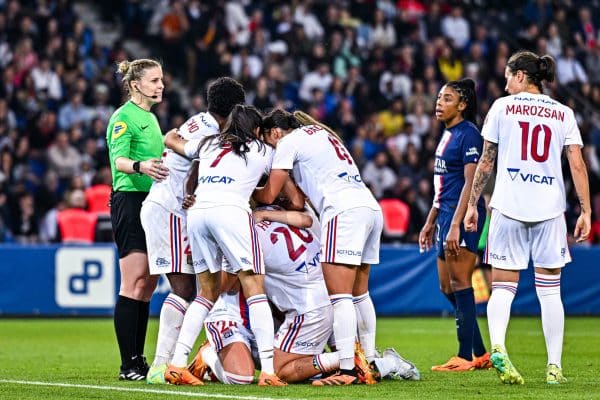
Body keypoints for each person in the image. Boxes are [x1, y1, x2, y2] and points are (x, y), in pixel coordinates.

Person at [464, 51, 591, 385]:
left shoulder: (502, 108)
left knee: (503, 287)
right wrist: (586, 210)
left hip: (508, 207)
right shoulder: (563, 113)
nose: (505, 84)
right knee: (550, 292)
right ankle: (554, 368)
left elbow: (487, 161)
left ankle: (499, 347)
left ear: (521, 75)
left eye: (507, 77)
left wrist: (471, 205)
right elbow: (576, 164)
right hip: (549, 209)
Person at [187, 205, 420, 385]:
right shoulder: (288, 214)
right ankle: (208, 353)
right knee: (249, 375)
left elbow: (231, 283)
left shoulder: (249, 225)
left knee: (287, 369)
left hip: (295, 307)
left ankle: (369, 361)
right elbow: (227, 287)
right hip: (253, 309)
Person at [254, 110, 383, 385]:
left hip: (343, 211)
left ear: (275, 133)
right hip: (370, 208)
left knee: (340, 297)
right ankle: (370, 360)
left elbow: (268, 194)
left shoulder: (288, 143)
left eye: (267, 141)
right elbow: (300, 200)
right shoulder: (321, 134)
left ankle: (349, 368)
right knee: (361, 294)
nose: (270, 148)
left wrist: (245, 191)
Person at [162, 105, 287, 386]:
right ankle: (268, 370)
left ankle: (177, 364)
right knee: (255, 290)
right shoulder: (261, 150)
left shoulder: (207, 144)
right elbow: (278, 183)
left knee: (206, 292)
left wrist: (171, 134)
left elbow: (171, 139)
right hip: (231, 212)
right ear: (256, 130)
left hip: (198, 212)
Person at [142, 77, 246, 384]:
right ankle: (161, 366)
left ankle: (170, 363)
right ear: (235, 108)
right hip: (171, 211)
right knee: (186, 289)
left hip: (170, 208)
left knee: (192, 288)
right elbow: (198, 157)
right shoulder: (212, 133)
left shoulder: (197, 121)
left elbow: (171, 137)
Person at [419, 78, 491, 372]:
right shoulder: (448, 134)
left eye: (447, 98)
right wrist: (430, 220)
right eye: (439, 97)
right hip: (445, 213)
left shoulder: (469, 134)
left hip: (461, 216)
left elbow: (470, 182)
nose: (439, 102)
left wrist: (456, 224)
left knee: (461, 283)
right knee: (446, 286)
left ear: (462, 105)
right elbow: (445, 184)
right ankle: (481, 353)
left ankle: (464, 356)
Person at [106, 58, 170, 381]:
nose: (161, 86)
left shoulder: (151, 118)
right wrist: (141, 166)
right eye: (154, 81)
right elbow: (118, 161)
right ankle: (127, 363)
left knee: (148, 283)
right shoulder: (123, 118)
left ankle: (138, 358)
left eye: (161, 80)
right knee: (133, 282)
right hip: (129, 201)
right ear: (135, 85)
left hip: (152, 202)